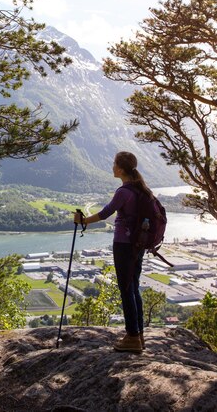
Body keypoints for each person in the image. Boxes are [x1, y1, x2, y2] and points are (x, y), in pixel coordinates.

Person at [74, 151, 153, 353]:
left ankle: (132, 337)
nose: (112, 167)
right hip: (137, 245)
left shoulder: (124, 192)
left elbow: (105, 213)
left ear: (120, 168)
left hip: (124, 244)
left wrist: (82, 221)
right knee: (133, 287)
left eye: (114, 163)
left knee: (126, 289)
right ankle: (139, 335)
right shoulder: (141, 190)